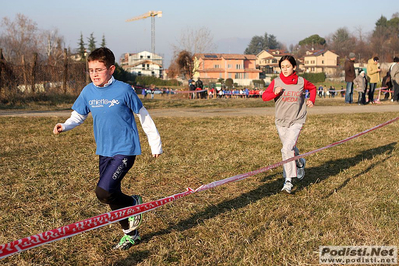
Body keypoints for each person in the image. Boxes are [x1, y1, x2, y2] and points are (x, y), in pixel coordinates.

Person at [52, 47, 163, 250]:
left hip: (125, 150)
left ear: (111, 69)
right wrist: (65, 125)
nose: (94, 74)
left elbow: (143, 116)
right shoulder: (88, 91)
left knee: (103, 191)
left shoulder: (124, 90)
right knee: (111, 195)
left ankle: (132, 202)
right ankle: (131, 235)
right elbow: (79, 115)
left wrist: (155, 143)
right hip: (104, 151)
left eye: (99, 69)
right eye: (91, 70)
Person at [262, 55, 316, 193]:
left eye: (288, 66)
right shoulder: (276, 81)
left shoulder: (301, 82)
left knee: (286, 149)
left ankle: (288, 181)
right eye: (282, 67)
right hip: (281, 121)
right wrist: (275, 93)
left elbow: (313, 88)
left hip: (297, 120)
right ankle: (299, 162)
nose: (285, 69)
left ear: (294, 67)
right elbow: (264, 97)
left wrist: (311, 100)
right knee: (290, 148)